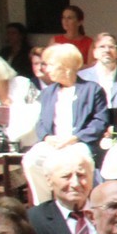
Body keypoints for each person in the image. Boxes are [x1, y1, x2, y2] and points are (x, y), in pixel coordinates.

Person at [24, 43, 108, 198]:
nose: (46, 69)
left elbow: (100, 122)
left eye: (50, 65)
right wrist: (47, 138)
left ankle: (84, 202)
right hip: (52, 143)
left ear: (65, 66)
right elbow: (41, 122)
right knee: (31, 160)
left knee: (80, 161)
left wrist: (74, 138)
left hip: (78, 143)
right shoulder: (47, 93)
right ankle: (45, 203)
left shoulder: (92, 89)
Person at [27, 144, 95, 234]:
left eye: (81, 175)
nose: (75, 184)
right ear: (49, 180)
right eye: (66, 176)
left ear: (91, 177)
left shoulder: (108, 212)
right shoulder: (34, 219)